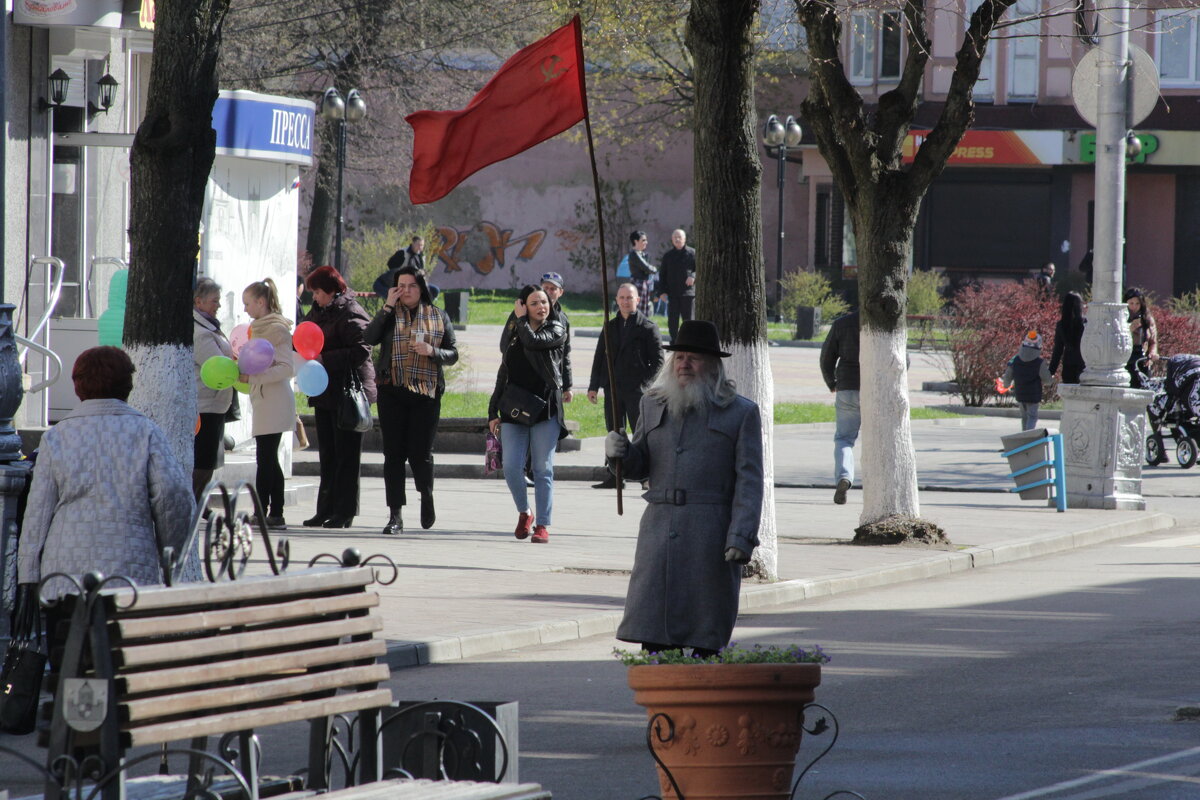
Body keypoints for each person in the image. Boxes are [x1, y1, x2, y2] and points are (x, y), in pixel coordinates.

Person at [606, 320, 763, 657]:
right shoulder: (652, 403)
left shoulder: (741, 412)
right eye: (679, 357)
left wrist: (741, 536)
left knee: (705, 640)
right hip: (659, 536)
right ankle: (662, 710)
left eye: (693, 358)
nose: (684, 364)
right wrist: (619, 453)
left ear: (713, 365)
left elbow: (750, 482)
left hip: (710, 540)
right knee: (656, 641)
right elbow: (639, 465)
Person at [17, 346, 194, 600]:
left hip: (64, 572)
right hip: (129, 568)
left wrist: (28, 575)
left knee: (67, 637)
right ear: (127, 384)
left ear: (78, 385)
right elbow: (172, 495)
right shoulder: (146, 432)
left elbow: (38, 512)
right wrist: (171, 554)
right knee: (121, 637)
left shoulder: (56, 437)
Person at [364, 264, 458, 535]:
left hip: (426, 393)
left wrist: (432, 351)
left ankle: (426, 495)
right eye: (400, 286)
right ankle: (395, 515)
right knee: (393, 455)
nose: (406, 291)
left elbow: (453, 354)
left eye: (411, 286)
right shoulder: (389, 315)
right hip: (392, 390)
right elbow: (368, 338)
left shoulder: (439, 315)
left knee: (420, 454)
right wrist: (386, 308)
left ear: (421, 288)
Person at [488, 284, 568, 545]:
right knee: (511, 467)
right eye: (534, 303)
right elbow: (504, 372)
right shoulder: (514, 334)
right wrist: (492, 410)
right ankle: (525, 512)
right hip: (513, 409)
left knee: (542, 468)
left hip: (545, 409)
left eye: (544, 302)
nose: (541, 307)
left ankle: (543, 525)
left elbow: (534, 343)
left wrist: (521, 319)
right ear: (523, 305)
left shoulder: (556, 329)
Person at [302, 265, 376, 529]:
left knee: (346, 456)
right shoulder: (320, 311)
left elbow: (361, 351)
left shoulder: (351, 312)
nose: (315, 297)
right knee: (328, 455)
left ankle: (344, 512)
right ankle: (325, 510)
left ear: (332, 290)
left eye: (319, 292)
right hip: (325, 392)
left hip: (349, 393)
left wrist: (325, 359)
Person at [587, 283, 664, 489]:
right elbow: (599, 358)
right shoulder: (610, 326)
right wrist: (593, 386)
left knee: (640, 433)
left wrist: (645, 385)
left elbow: (658, 361)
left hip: (636, 391)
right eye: (621, 298)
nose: (625, 301)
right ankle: (615, 475)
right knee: (614, 432)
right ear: (617, 300)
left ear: (638, 300)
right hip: (612, 389)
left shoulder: (647, 327)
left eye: (629, 297)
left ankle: (645, 476)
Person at [240, 278, 296, 530]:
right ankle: (272, 512)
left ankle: (267, 511)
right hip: (264, 399)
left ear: (261, 302)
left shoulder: (276, 329)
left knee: (266, 458)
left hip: (274, 400)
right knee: (268, 458)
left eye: (248, 303)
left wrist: (253, 377)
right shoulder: (260, 327)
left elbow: (285, 368)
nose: (245, 309)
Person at [502, 272, 574, 406]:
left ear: (561, 292)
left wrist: (568, 386)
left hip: (549, 382)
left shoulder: (562, 320)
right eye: (546, 288)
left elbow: (565, 354)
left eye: (553, 289)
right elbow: (505, 343)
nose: (549, 291)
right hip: (521, 379)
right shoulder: (520, 313)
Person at [192, 277, 235, 502]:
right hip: (206, 403)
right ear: (198, 302)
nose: (218, 305)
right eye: (214, 301)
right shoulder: (200, 332)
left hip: (214, 403)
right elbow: (216, 364)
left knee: (208, 461)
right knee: (204, 462)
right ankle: (194, 502)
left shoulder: (208, 325)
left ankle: (199, 503)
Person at [819, 310, 859, 505]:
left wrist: (832, 382)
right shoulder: (887, 322)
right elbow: (904, 359)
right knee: (880, 440)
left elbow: (826, 356)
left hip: (847, 387)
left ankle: (844, 476)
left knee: (844, 438)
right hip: (877, 390)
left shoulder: (842, 324)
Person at [1001, 330, 1053, 431]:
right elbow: (1047, 380)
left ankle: (1024, 438)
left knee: (1024, 417)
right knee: (1032, 417)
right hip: (1033, 395)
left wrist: (1006, 385)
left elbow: (1008, 375)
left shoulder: (1015, 360)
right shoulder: (1039, 362)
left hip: (1020, 393)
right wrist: (1051, 380)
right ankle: (1029, 439)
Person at [657, 229, 696, 341]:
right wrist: (662, 292)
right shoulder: (668, 256)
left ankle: (689, 342)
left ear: (685, 238)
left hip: (688, 293)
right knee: (672, 322)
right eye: (675, 237)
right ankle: (674, 343)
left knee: (688, 321)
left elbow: (699, 269)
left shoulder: (692, 253)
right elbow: (662, 275)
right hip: (672, 293)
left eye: (679, 237)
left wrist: (693, 276)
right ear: (672, 239)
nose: (677, 239)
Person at [1049, 291, 1086, 385]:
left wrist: (1051, 371)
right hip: (1085, 364)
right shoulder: (1085, 323)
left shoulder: (1061, 325)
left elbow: (1058, 350)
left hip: (1068, 365)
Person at [1124, 287, 1158, 388]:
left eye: (1137, 304)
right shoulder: (1121, 317)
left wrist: (1152, 354)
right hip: (1126, 357)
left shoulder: (1147, 319)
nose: (1134, 307)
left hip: (1142, 358)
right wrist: (1129, 328)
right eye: (1131, 303)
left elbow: (1153, 342)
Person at [626, 230, 657, 317]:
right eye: (643, 240)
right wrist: (653, 269)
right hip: (637, 284)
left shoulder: (642, 254)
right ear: (636, 241)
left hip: (644, 283)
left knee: (644, 309)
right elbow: (647, 268)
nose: (646, 242)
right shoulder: (634, 254)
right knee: (637, 309)